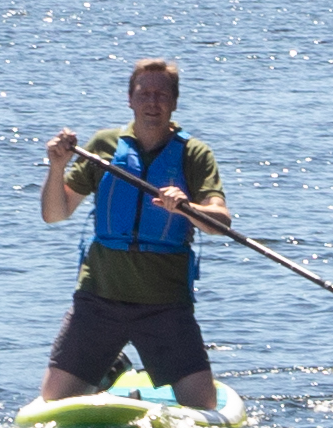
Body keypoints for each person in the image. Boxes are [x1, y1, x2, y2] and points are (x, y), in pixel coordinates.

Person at [37, 56, 236, 408]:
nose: (153, 103)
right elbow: (55, 213)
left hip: (165, 304)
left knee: (203, 407)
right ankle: (105, 369)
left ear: (174, 102)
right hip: (99, 297)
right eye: (144, 94)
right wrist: (57, 168)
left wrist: (189, 206)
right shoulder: (103, 147)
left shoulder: (194, 154)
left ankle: (113, 368)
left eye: (162, 95)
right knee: (52, 400)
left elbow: (220, 222)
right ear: (130, 99)